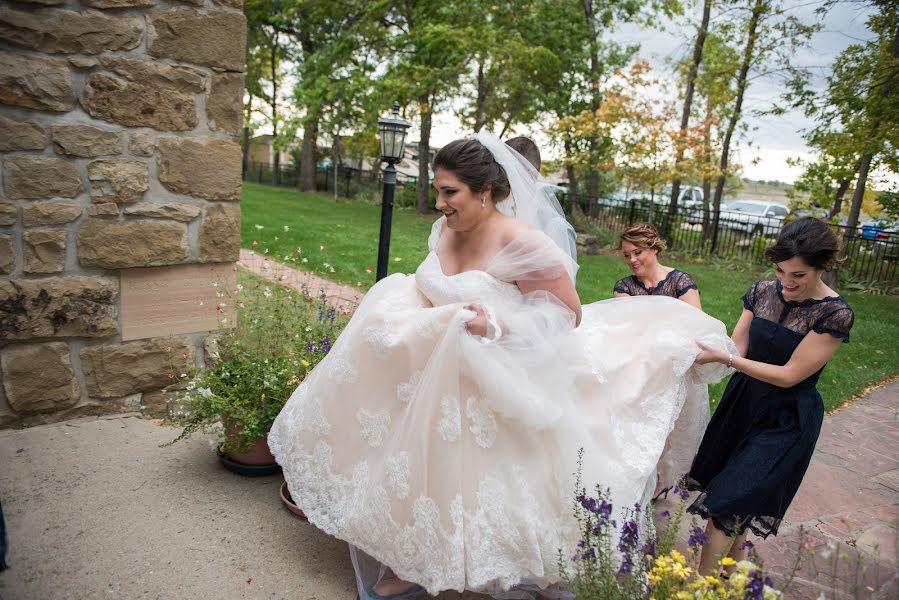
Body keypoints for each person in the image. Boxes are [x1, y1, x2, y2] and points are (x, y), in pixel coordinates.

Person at [269, 133, 735, 599]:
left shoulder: (521, 243)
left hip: (496, 378)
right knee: (419, 467)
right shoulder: (447, 229)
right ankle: (415, 558)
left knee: (479, 479)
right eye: (438, 190)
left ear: (485, 191)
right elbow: (435, 284)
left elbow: (567, 315)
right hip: (434, 370)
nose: (440, 203)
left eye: (450, 192)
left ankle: (473, 560)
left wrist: (496, 324)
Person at [688, 217, 854, 575]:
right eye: (781, 271)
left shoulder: (834, 314)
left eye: (799, 275)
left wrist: (728, 358)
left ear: (820, 268)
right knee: (743, 494)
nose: (787, 282)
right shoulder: (762, 292)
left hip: (786, 416)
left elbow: (790, 375)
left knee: (728, 499)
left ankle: (696, 589)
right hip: (743, 404)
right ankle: (734, 572)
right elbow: (738, 346)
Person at [613, 223, 702, 310]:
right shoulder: (624, 287)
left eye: (637, 252)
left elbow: (696, 321)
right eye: (627, 255)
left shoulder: (681, 282)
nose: (632, 259)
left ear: (654, 248)